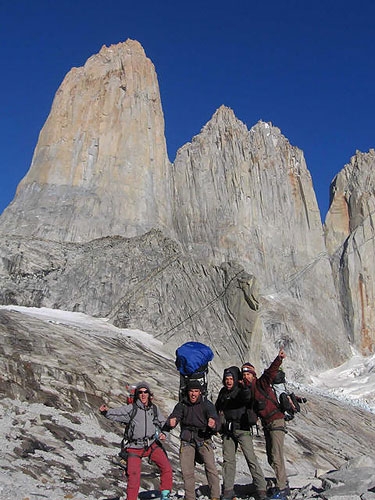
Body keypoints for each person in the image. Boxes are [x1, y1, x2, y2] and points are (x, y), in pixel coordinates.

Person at [99, 381, 173, 500]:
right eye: (140, 392)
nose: (143, 395)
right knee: (133, 477)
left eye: (145, 392)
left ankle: (165, 495)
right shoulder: (131, 409)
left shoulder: (154, 409)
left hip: (151, 445)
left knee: (167, 468)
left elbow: (163, 424)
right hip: (134, 447)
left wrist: (165, 434)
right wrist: (106, 412)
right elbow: (118, 412)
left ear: (149, 394)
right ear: (137, 394)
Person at [241, 349, 289, 498]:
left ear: (254, 375)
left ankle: (282, 488)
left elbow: (270, 372)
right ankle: (282, 483)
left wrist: (279, 359)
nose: (246, 376)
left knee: (276, 455)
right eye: (244, 374)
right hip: (268, 425)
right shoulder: (248, 392)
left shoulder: (261, 383)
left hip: (276, 422)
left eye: (248, 374)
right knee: (271, 456)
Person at [215, 366, 267, 500]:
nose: (228, 381)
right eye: (226, 379)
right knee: (228, 461)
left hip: (242, 429)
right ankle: (228, 490)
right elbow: (217, 408)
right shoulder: (223, 392)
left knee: (251, 458)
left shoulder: (241, 390)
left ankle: (261, 489)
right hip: (228, 431)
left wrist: (244, 387)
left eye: (231, 378)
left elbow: (246, 397)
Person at [165, 380, 221, 500]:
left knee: (211, 468)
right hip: (187, 441)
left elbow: (216, 420)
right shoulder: (182, 405)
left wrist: (213, 424)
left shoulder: (207, 404)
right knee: (187, 472)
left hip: (203, 439)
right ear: (188, 392)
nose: (193, 394)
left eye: (196, 391)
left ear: (200, 392)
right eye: (191, 391)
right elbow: (175, 416)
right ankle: (190, 497)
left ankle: (215, 496)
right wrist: (171, 422)